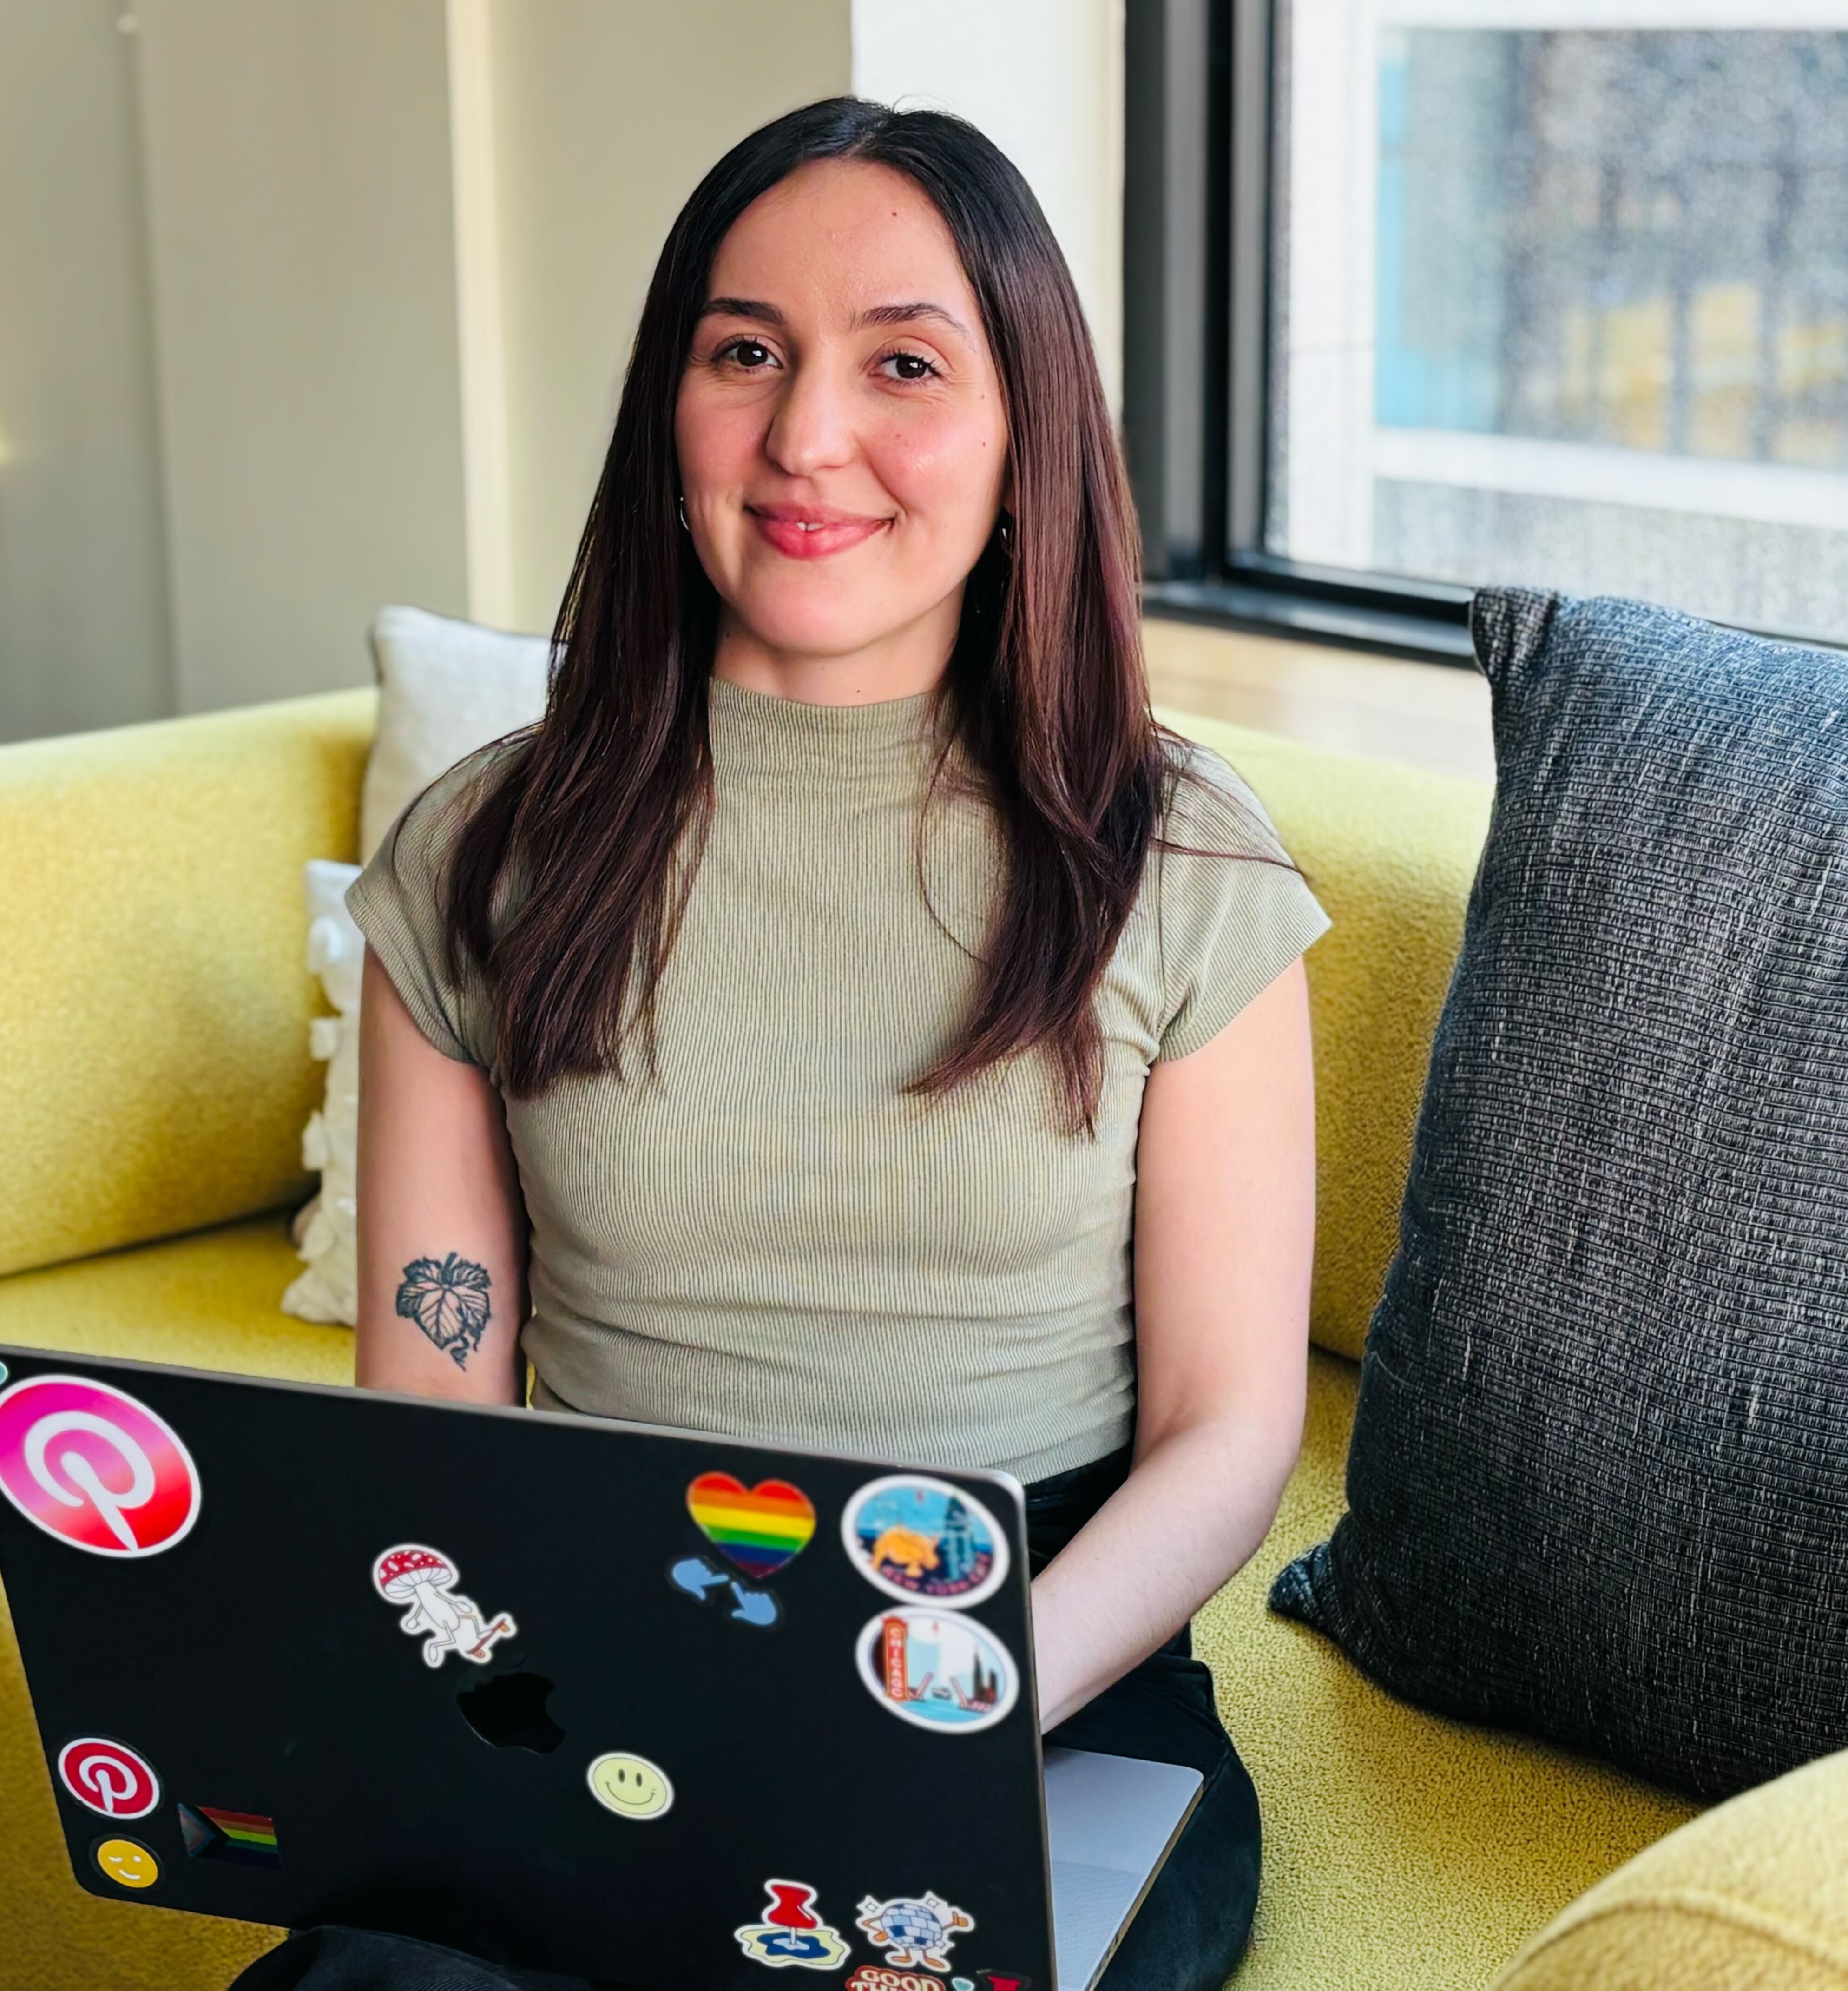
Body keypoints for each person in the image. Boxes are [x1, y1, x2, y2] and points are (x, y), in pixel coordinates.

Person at [260, 96, 1328, 1991]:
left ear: (1028, 438)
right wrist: (483, 1694)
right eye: (743, 352)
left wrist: (953, 1711)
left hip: (1043, 1671)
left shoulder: (1179, 858)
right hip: (601, 1653)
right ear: (670, 410)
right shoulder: (483, 854)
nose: (804, 436)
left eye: (903, 364)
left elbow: (1226, 1435)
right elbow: (431, 1407)